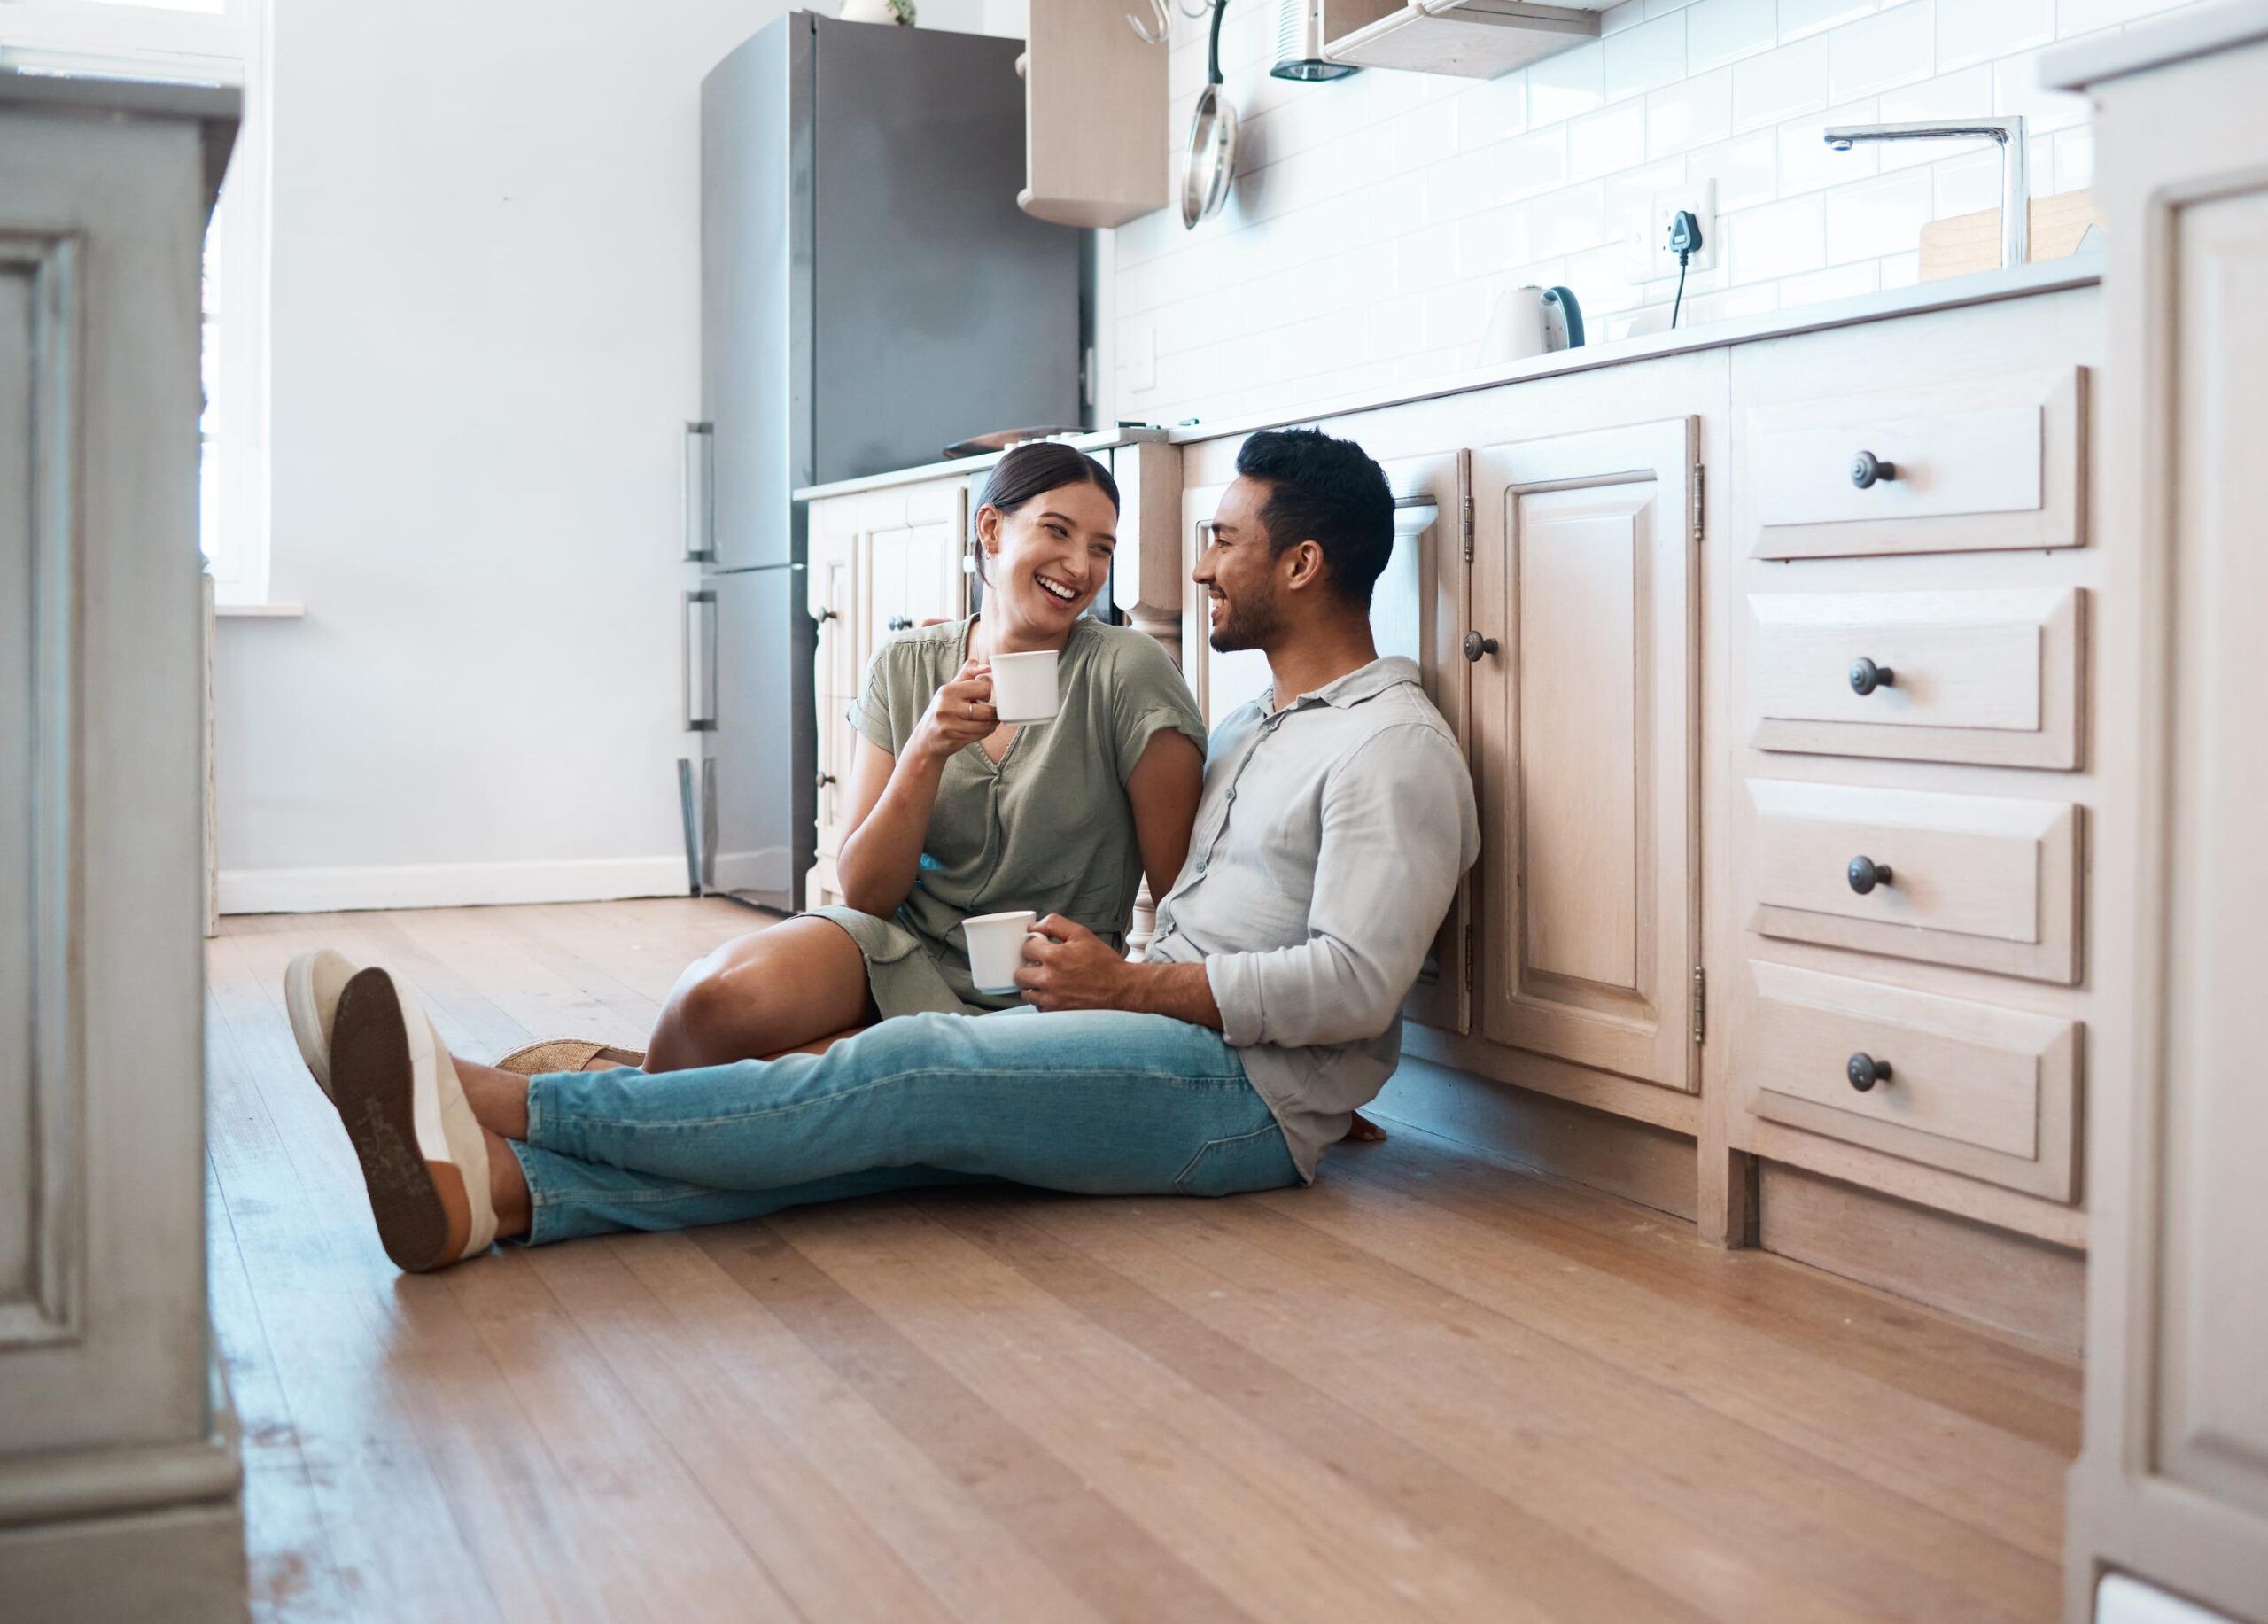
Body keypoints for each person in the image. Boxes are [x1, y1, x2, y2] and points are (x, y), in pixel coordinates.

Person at [288, 428, 1480, 1270]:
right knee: (879, 1138)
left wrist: (1170, 1005)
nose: (1201, 563)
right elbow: (1216, 935)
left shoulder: (1391, 746)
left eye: (1222, 540)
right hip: (1174, 1041)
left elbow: (1359, 987)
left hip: (1238, 1100)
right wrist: (1136, 991)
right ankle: (498, 1197)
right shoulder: (1260, 723)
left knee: (901, 1074)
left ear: (1302, 565)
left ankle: (496, 1097)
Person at [289, 441, 1210, 1086]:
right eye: (1055, 532)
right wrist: (927, 747)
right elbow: (863, 892)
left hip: (1043, 987)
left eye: (1101, 548)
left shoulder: (1126, 672)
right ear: (989, 534)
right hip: (902, 947)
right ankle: (578, 1097)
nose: (1079, 566)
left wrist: (1245, 1045)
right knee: (713, 1002)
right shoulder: (908, 667)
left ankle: (524, 1106)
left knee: (794, 1080)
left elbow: (1184, 890)